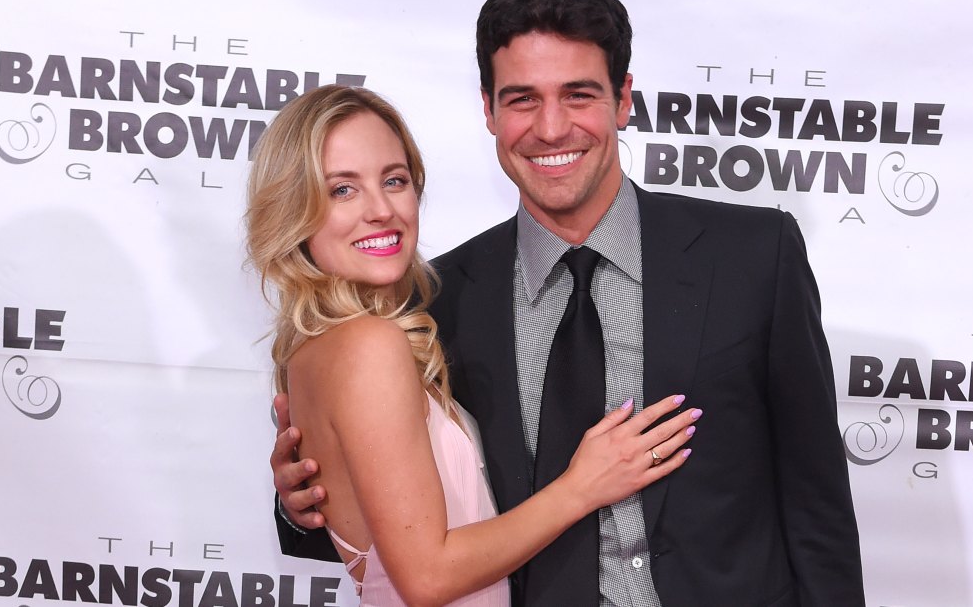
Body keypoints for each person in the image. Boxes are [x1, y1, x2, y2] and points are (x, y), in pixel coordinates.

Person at [273, 0, 866, 606]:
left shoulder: (754, 256)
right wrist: (299, 501)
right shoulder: (433, 301)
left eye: (579, 95)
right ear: (489, 109)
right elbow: (397, 531)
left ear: (623, 100)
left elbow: (817, 504)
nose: (551, 128)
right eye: (522, 99)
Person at [247, 84, 700, 607]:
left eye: (394, 180)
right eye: (341, 190)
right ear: (293, 209)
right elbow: (426, 577)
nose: (381, 210)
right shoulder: (371, 344)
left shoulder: (317, 346)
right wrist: (583, 486)